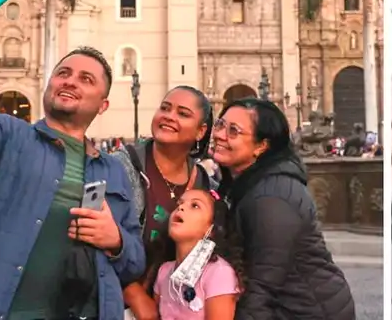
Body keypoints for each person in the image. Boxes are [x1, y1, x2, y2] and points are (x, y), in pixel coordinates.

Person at [0, 0, 145, 319]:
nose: (70, 82)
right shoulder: (7, 136)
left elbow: (134, 260)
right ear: (48, 84)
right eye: (63, 73)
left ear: (104, 105)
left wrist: (115, 241)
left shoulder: (113, 171)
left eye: (86, 79)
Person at [211, 98, 355, 320]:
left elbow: (262, 286)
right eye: (220, 124)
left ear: (261, 146)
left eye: (234, 131)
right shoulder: (248, 182)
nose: (220, 135)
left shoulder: (271, 198)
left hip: (307, 310)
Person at [111, 86, 216, 320]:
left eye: (183, 113)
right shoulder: (119, 168)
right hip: (117, 307)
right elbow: (97, 238)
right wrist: (135, 294)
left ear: (201, 131)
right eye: (165, 108)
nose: (169, 116)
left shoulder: (204, 184)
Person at [153, 188, 243, 319]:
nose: (181, 208)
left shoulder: (219, 273)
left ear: (211, 228)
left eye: (195, 205)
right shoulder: (164, 271)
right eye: (179, 204)